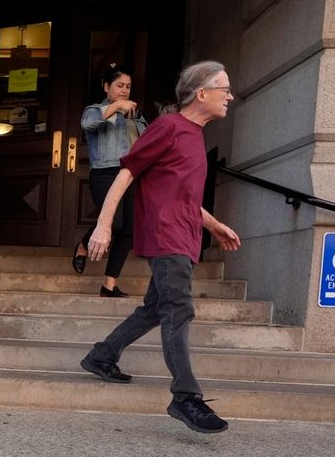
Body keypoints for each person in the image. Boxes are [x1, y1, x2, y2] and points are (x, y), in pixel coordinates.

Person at [78, 60, 242, 434]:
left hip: (185, 235)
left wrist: (215, 226)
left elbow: (183, 197)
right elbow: (127, 171)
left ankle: (102, 355)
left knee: (157, 307)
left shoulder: (194, 137)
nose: (230, 96)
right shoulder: (168, 127)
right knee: (178, 309)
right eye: (224, 89)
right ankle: (185, 396)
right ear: (201, 93)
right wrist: (103, 225)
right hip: (166, 236)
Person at [72, 65, 147, 298]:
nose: (124, 90)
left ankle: (109, 284)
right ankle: (83, 246)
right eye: (119, 86)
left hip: (132, 175)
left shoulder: (137, 116)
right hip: (105, 173)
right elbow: (88, 125)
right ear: (107, 87)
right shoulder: (94, 110)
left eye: (128, 87)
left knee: (128, 229)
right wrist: (115, 107)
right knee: (113, 223)